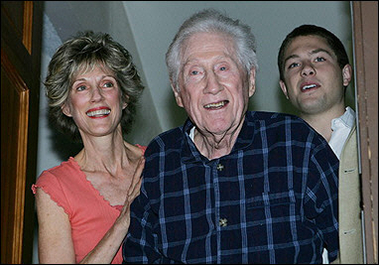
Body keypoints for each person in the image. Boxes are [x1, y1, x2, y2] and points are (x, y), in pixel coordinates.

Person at [123, 9, 340, 264]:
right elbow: (139, 257)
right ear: (178, 92)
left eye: (223, 68)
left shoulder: (298, 143)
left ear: (250, 80)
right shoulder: (160, 158)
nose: (212, 86)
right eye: (195, 72)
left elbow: (355, 240)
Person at [31, 31, 146, 264]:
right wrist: (125, 220)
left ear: (123, 98)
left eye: (107, 84)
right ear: (66, 107)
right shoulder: (55, 188)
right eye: (82, 87)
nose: (97, 97)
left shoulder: (158, 160)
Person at [277, 24, 363, 264]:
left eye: (319, 58)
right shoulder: (271, 160)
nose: (306, 70)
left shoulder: (370, 141)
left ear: (346, 74)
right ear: (284, 88)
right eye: (294, 65)